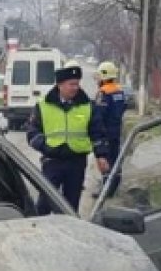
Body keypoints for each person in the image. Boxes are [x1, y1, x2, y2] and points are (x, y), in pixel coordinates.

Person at [26, 62, 109, 214]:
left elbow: (97, 132)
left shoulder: (87, 106)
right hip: (52, 162)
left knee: (70, 206)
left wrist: (101, 155)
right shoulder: (43, 105)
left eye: (77, 84)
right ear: (60, 85)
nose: (75, 88)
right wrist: (45, 146)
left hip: (76, 162)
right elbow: (32, 132)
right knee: (44, 203)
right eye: (72, 84)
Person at [91, 60, 127, 197]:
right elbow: (123, 108)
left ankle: (106, 189)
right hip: (116, 131)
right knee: (115, 158)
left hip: (105, 132)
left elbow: (99, 114)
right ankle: (115, 185)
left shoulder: (103, 93)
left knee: (105, 161)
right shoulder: (119, 91)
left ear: (103, 76)